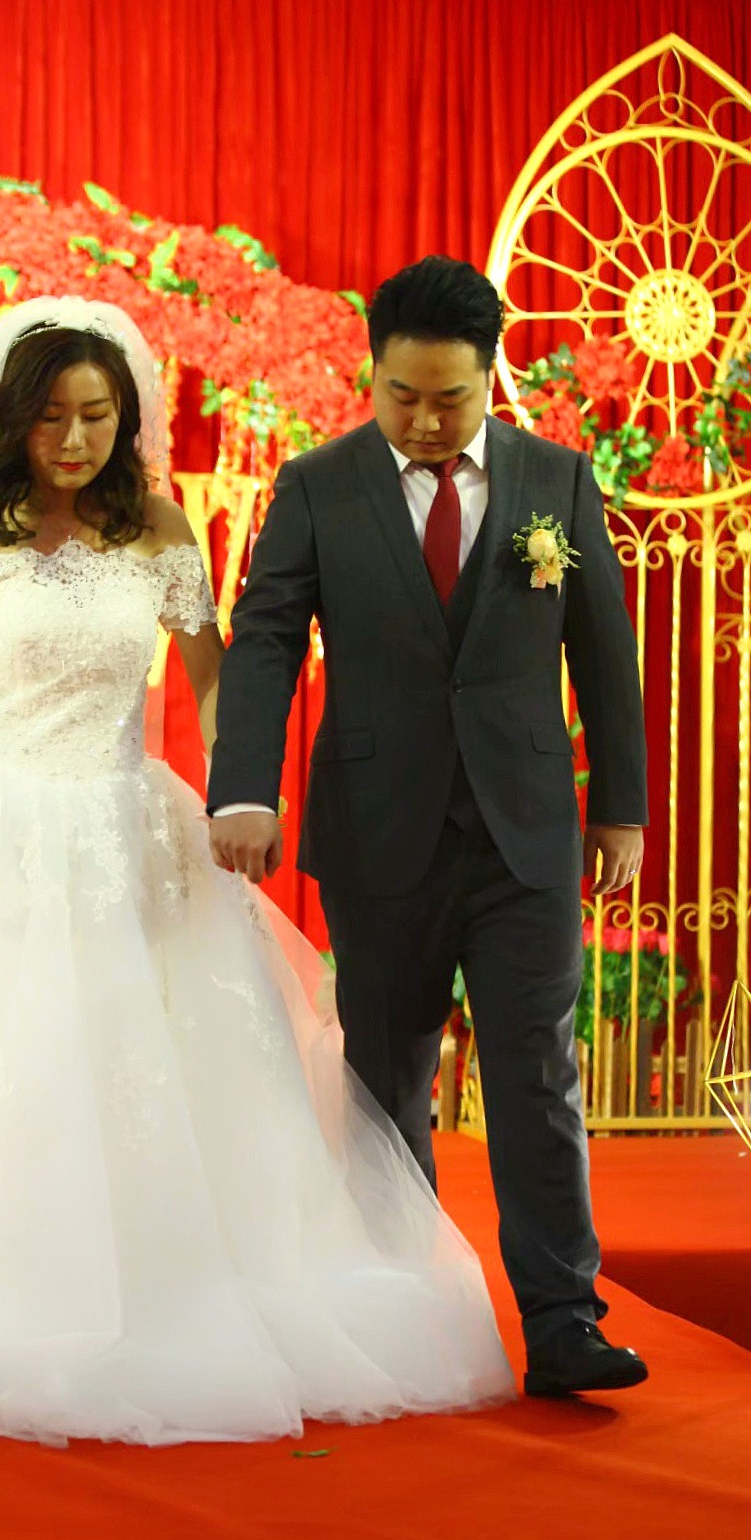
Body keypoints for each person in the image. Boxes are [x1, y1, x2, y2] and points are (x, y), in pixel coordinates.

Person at [0, 296, 514, 1448]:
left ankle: (170, 1280)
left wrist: (234, 795)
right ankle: (12, 1287)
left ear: (126, 420)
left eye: (96, 415)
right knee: (10, 1068)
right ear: (15, 423)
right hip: (7, 832)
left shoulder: (162, 530)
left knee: (161, 1064)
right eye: (52, 418)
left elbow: (216, 681)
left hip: (133, 826)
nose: (74, 439)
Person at [208, 258, 650, 1399]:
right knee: (388, 1077)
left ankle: (564, 1321)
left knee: (536, 1074)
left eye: (449, 398)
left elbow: (604, 647)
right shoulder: (318, 486)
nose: (424, 420)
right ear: (373, 374)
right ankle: (401, 1315)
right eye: (401, 394)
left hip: (524, 833)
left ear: (490, 378)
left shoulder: (557, 478)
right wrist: (243, 789)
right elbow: (265, 639)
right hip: (380, 828)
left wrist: (621, 807)